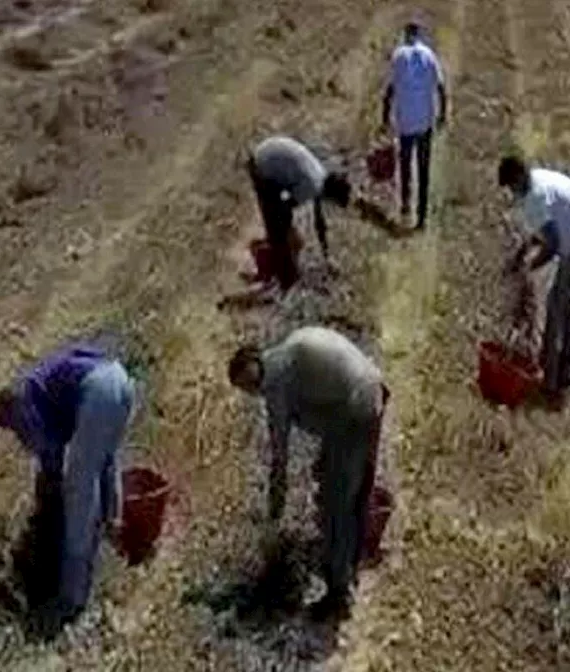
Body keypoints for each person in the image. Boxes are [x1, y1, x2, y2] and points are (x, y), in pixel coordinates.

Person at [227, 326, 389, 620]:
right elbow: (325, 401)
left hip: (357, 408)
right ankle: (351, 553)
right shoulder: (286, 350)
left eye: (249, 387)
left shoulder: (276, 387)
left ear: (253, 379)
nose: (253, 392)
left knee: (335, 503)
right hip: (368, 389)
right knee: (337, 480)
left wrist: (275, 508)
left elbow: (280, 458)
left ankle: (339, 594)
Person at [0, 341, 136, 635]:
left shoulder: (23, 400)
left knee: (80, 486)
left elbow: (49, 448)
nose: (15, 430)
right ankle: (113, 523)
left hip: (98, 390)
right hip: (121, 380)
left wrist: (50, 480)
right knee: (103, 459)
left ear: (7, 411)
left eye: (9, 425)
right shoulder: (43, 380)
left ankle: (71, 597)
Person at [497, 155, 570, 407]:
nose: (511, 193)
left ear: (518, 180)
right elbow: (543, 231)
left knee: (556, 305)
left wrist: (531, 267)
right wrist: (521, 254)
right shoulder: (537, 181)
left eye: (511, 187)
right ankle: (568, 370)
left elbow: (553, 243)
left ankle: (551, 379)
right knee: (565, 303)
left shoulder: (535, 197)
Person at [246, 135, 353, 292]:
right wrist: (288, 237)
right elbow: (284, 208)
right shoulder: (312, 186)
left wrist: (326, 255)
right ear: (332, 196)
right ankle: (280, 277)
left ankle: (277, 266)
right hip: (263, 165)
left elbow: (319, 223)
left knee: (285, 228)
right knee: (279, 227)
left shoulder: (321, 176)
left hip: (269, 150)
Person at [381, 21, 447, 230]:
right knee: (424, 168)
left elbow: (390, 90)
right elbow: (441, 89)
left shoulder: (398, 56)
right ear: (419, 35)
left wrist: (385, 118)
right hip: (425, 120)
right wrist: (442, 114)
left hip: (405, 121)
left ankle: (405, 205)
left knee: (405, 165)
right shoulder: (429, 56)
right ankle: (422, 217)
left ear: (405, 35)